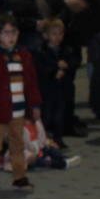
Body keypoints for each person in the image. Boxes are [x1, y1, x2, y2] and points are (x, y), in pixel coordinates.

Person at [0, 15, 41, 194]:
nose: (10, 37)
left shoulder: (24, 55)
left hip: (18, 111)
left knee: (17, 145)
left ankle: (20, 177)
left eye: (13, 32)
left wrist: (34, 105)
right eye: (5, 33)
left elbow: (32, 83)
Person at [34, 18, 74, 148]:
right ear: (46, 35)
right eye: (54, 34)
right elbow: (40, 70)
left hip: (61, 89)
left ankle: (58, 137)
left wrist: (66, 67)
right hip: (47, 89)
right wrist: (54, 70)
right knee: (46, 115)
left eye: (60, 34)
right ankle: (43, 138)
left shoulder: (66, 50)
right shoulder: (41, 52)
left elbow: (73, 64)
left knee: (59, 114)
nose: (57, 37)